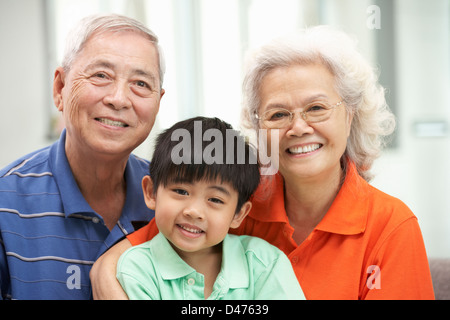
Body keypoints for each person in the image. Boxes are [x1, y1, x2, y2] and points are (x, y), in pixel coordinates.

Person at [90, 26, 434, 299]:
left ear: (350, 117)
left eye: (316, 108)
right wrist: (104, 274)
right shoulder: (235, 199)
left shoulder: (390, 227)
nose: (298, 128)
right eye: (278, 114)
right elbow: (140, 251)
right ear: (258, 128)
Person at [0, 14, 165, 299]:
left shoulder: (176, 201)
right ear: (60, 88)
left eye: (140, 83)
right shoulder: (5, 204)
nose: (119, 98)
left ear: (158, 102)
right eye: (101, 75)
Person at [115, 116, 305, 300]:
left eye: (215, 199)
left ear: (239, 214)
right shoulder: (137, 268)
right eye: (181, 191)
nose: (194, 211)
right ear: (151, 193)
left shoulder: (265, 263)